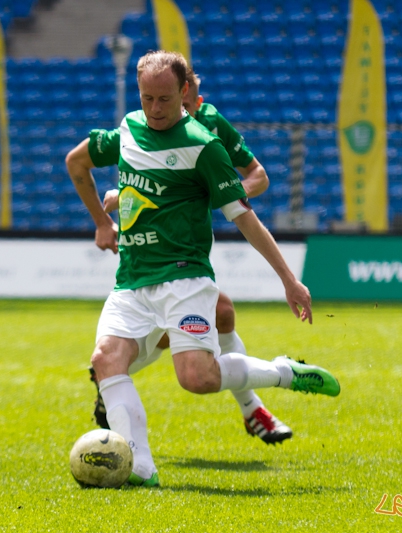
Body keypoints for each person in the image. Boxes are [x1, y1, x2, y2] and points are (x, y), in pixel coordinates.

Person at [65, 50, 340, 487]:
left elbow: (246, 217)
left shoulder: (203, 145)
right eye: (146, 98)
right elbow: (75, 162)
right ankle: (140, 468)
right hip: (132, 282)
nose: (154, 110)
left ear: (184, 92)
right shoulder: (127, 130)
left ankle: (282, 372)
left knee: (197, 378)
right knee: (105, 362)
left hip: (184, 278)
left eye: (164, 99)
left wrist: (290, 280)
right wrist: (103, 220)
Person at [92, 68, 292, 446]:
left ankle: (253, 409)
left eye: (182, 102)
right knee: (162, 339)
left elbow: (258, 175)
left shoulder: (210, 128)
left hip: (189, 254)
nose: (164, 110)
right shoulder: (144, 128)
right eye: (153, 100)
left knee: (220, 317)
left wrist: (217, 192)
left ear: (193, 97)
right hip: (149, 258)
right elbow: (101, 167)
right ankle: (111, 377)